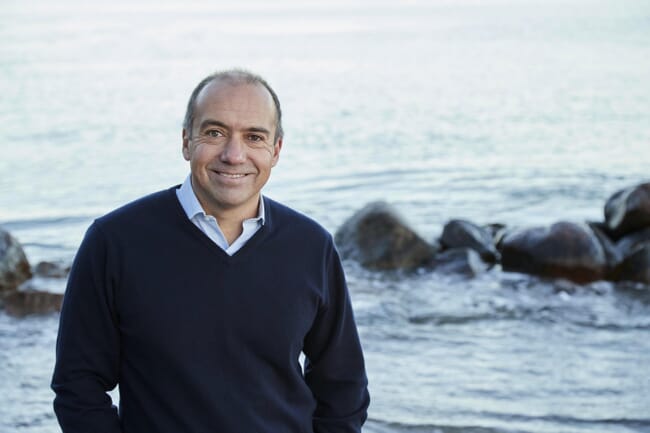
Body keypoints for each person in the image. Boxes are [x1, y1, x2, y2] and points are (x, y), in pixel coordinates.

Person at [51, 69, 370, 432]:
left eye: (254, 137)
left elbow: (343, 386)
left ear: (276, 150)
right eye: (215, 133)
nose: (234, 155)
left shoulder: (312, 247)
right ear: (187, 141)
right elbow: (78, 385)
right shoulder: (114, 241)